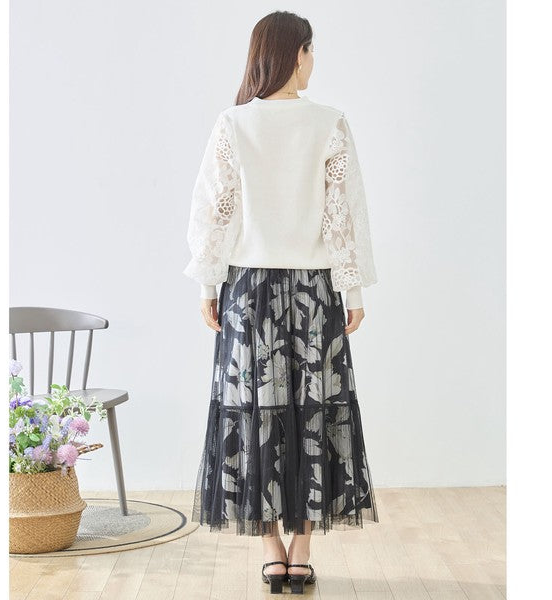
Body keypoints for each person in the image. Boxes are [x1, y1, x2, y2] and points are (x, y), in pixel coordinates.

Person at [183, 10, 379, 595]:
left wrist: (208, 285)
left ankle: (271, 549)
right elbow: (344, 216)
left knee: (255, 416)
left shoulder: (233, 123)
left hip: (248, 292)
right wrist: (351, 289)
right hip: (316, 293)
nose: (314, 61)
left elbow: (214, 212)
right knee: (315, 414)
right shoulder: (330, 123)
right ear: (297, 53)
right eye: (311, 50)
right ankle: (300, 550)